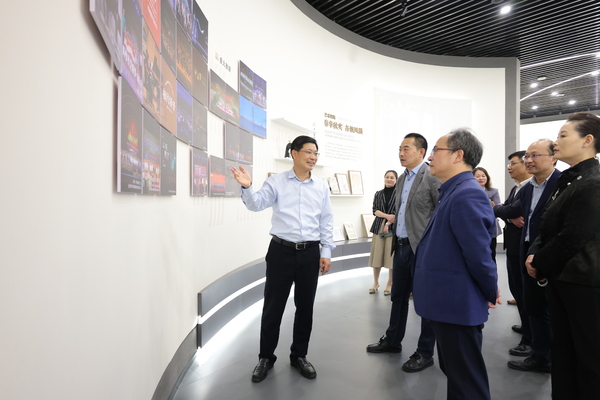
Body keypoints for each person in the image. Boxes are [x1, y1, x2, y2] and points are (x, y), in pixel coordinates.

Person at [231, 135, 335, 383]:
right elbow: (256, 204)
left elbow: (326, 221)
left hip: (310, 253)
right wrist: (247, 187)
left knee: (305, 307)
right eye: (308, 152)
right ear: (294, 153)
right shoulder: (276, 182)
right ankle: (266, 357)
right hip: (281, 251)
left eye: (316, 153)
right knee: (273, 307)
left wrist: (326, 252)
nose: (313, 157)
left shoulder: (321, 187)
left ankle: (299, 355)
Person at [413, 128, 499, 400]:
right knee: (457, 373)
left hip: (457, 304)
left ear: (458, 155)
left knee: (466, 382)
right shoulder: (453, 191)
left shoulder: (467, 194)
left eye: (436, 151)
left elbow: (479, 254)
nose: (430, 157)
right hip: (448, 303)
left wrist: (490, 289)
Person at [525, 112, 600, 399]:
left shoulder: (592, 182)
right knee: (564, 352)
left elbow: (574, 236)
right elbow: (546, 224)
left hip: (582, 283)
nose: (556, 141)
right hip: (562, 278)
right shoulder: (569, 181)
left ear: (587, 140)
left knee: (587, 358)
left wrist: (539, 261)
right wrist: (535, 253)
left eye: (563, 135)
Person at [366, 133, 440, 374]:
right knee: (398, 296)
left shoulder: (431, 176)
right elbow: (404, 210)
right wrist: (393, 222)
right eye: (400, 148)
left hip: (422, 249)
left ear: (421, 152)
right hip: (400, 246)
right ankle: (392, 340)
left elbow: (439, 212)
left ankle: (425, 352)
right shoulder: (401, 178)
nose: (401, 153)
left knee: (425, 301)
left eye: (406, 148)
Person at [498, 139, 559, 373]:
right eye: (527, 157)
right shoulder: (527, 188)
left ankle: (553, 357)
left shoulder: (562, 184)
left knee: (551, 309)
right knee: (534, 307)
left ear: (553, 158)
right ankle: (540, 356)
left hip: (550, 255)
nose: (529, 160)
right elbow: (513, 211)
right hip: (527, 253)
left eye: (535, 155)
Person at [493, 151, 533, 358]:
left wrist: (504, 211)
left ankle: (530, 339)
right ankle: (526, 326)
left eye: (513, 163)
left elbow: (507, 209)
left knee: (526, 293)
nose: (509, 167)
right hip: (513, 247)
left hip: (524, 248)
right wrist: (508, 216)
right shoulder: (516, 187)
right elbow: (508, 211)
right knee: (517, 289)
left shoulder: (530, 187)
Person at [367, 170, 398, 295]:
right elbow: (375, 210)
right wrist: (386, 216)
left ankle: (390, 283)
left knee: (391, 257)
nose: (389, 179)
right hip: (378, 227)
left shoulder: (399, 194)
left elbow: (399, 211)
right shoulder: (378, 194)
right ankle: (375, 282)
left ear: (396, 180)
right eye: (387, 177)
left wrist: (388, 223)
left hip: (393, 227)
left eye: (392, 177)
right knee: (377, 255)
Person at [473, 166, 502, 262]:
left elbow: (498, 209)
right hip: (475, 227)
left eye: (483, 176)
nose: (481, 178)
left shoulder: (493, 191)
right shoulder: (470, 191)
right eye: (477, 176)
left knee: (491, 254)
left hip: (490, 226)